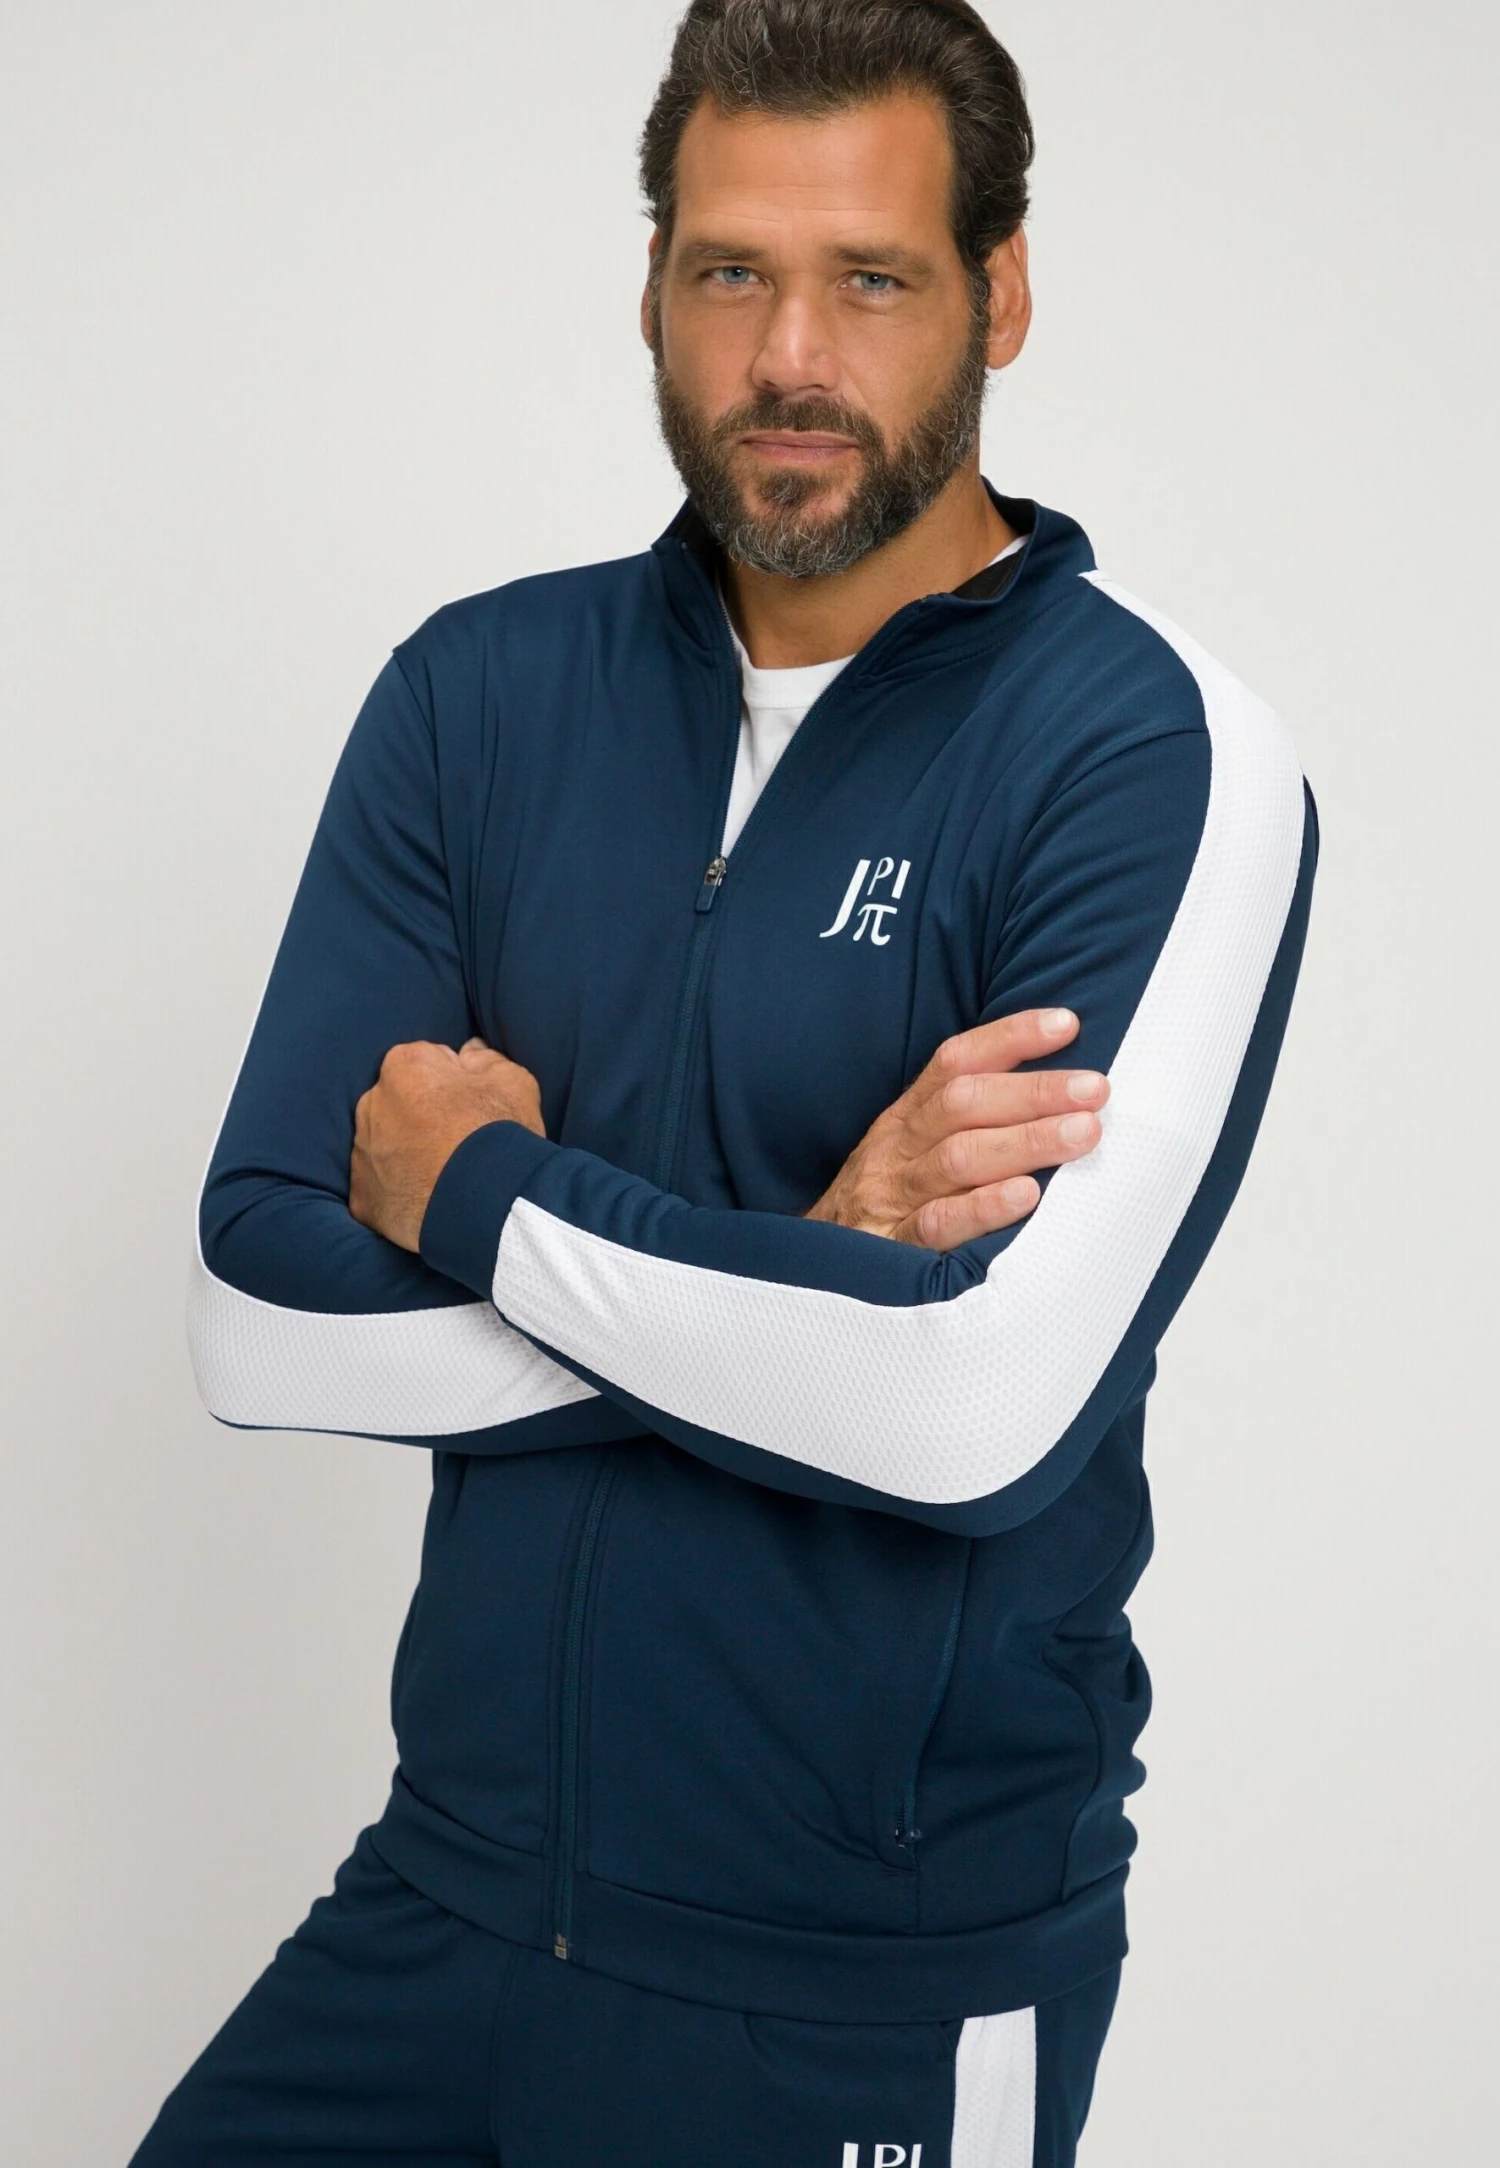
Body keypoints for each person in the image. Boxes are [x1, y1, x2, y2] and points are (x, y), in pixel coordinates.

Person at [132, 3, 1317, 2163]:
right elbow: (256, 1318)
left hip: (859, 1995)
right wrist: (806, 1266)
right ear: (653, 287)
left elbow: (973, 1409)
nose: (788, 355)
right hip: (451, 1896)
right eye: (729, 271)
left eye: (871, 278)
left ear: (1001, 295)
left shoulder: (1150, 756)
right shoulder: (478, 697)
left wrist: (482, 1191)